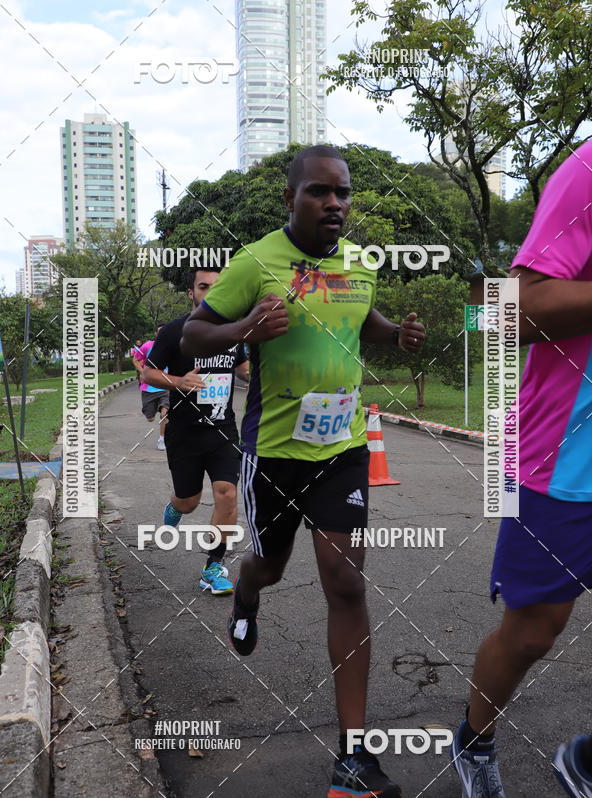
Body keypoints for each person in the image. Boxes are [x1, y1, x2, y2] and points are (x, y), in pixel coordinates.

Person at [180, 145, 425, 798]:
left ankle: (354, 758)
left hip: (342, 449)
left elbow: (359, 318)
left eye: (343, 192)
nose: (335, 203)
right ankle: (247, 592)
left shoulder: (358, 264)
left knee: (346, 583)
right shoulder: (256, 262)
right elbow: (193, 336)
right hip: (275, 454)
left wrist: (392, 333)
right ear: (291, 199)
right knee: (271, 564)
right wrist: (246, 329)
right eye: (320, 192)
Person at [450, 140, 592, 797]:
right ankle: (474, 740)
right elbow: (515, 309)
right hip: (564, 460)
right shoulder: (586, 170)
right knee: (533, 632)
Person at [142, 268, 249, 596]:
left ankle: (213, 565)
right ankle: (175, 507)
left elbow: (242, 369)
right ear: (191, 292)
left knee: (227, 494)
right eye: (204, 287)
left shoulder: (232, 331)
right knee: (189, 502)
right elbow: (148, 372)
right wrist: (179, 381)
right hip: (185, 433)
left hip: (223, 429)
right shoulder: (175, 331)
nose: (211, 293)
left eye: (218, 288)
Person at [134, 325, 170, 450]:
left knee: (165, 414)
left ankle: (162, 439)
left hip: (165, 386)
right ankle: (154, 411)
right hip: (148, 388)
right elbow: (135, 360)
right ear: (155, 334)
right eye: (159, 332)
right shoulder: (147, 346)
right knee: (150, 418)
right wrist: (143, 372)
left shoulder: (171, 346)